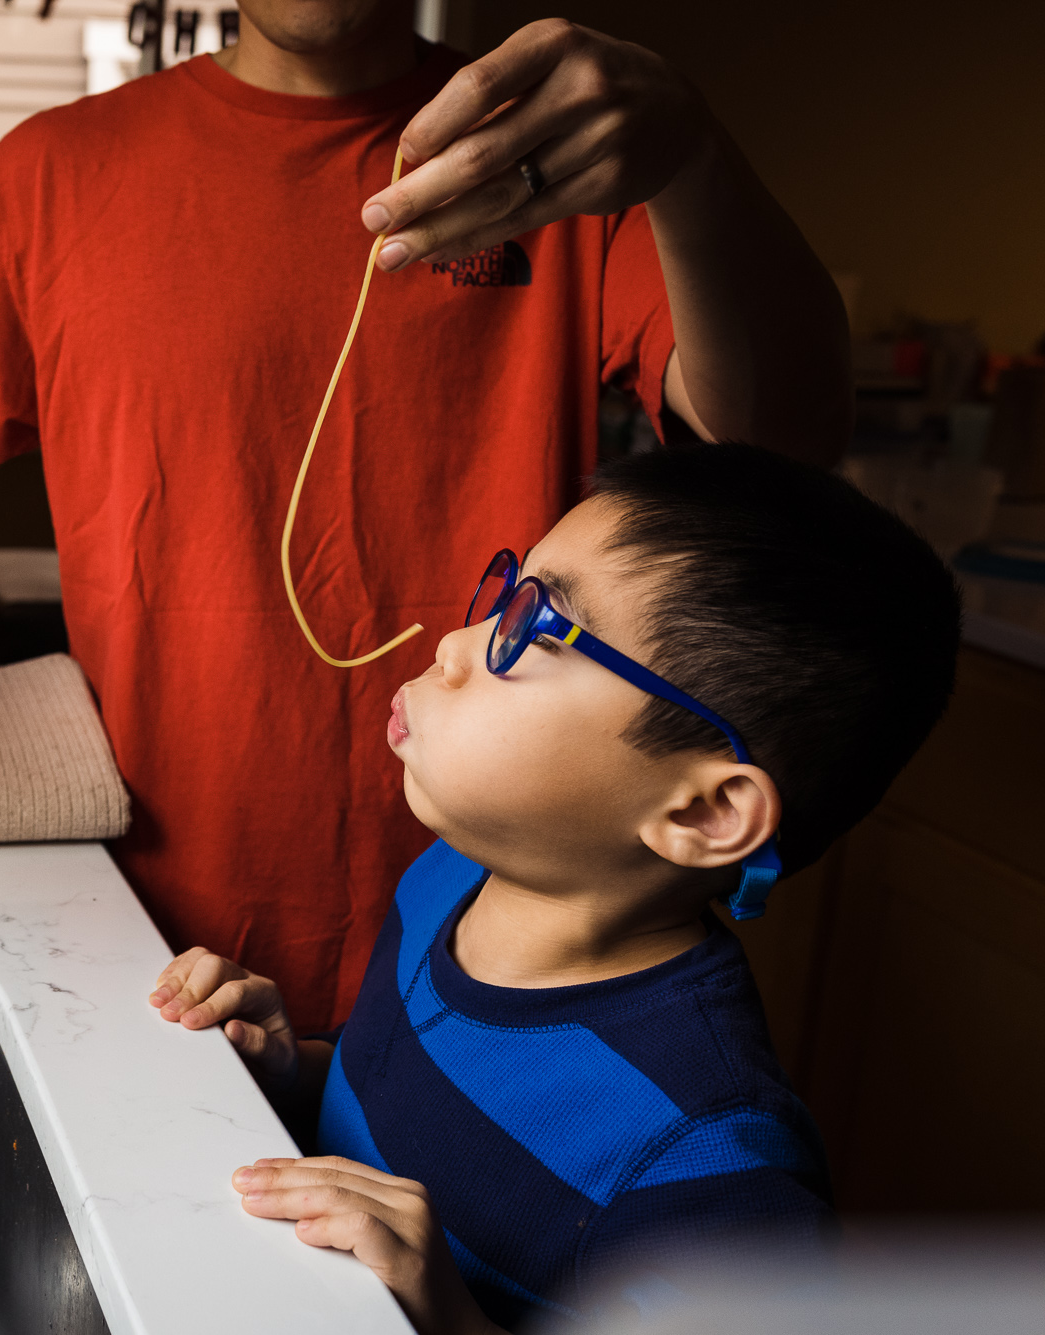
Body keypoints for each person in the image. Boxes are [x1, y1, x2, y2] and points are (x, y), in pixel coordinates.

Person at [0, 5, 851, 1030]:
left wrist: (693, 162)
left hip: (500, 926)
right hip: (143, 928)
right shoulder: (49, 176)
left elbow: (778, 445)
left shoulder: (553, 164)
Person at [147, 443, 961, 1331]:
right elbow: (383, 1093)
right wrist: (290, 1068)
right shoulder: (453, 877)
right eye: (503, 596)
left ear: (703, 811)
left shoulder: (711, 1164)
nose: (453, 648)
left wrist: (447, 1314)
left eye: (533, 629)